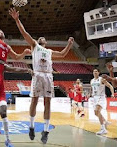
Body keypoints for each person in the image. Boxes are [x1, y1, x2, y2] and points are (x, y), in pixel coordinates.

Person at [9, 7, 74, 144]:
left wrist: (69, 44)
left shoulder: (49, 51)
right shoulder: (34, 46)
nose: (41, 38)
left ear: (46, 42)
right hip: (38, 75)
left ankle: (45, 130)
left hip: (48, 76)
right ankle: (31, 126)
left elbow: (62, 54)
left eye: (43, 38)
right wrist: (17, 19)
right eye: (40, 38)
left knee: (48, 102)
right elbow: (24, 32)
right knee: (34, 100)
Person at [0, 0, 30, 147]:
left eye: (1, 31)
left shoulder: (6, 47)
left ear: (4, 35)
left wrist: (24, 53)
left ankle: (8, 140)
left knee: (3, 113)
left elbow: (16, 57)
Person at [90, 68, 114, 135]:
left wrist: (112, 94)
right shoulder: (92, 80)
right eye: (94, 71)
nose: (95, 72)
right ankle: (105, 122)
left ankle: (103, 129)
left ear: (99, 72)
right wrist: (90, 94)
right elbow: (92, 88)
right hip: (94, 97)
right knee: (96, 113)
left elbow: (110, 86)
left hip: (101, 97)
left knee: (98, 111)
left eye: (96, 71)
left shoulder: (101, 79)